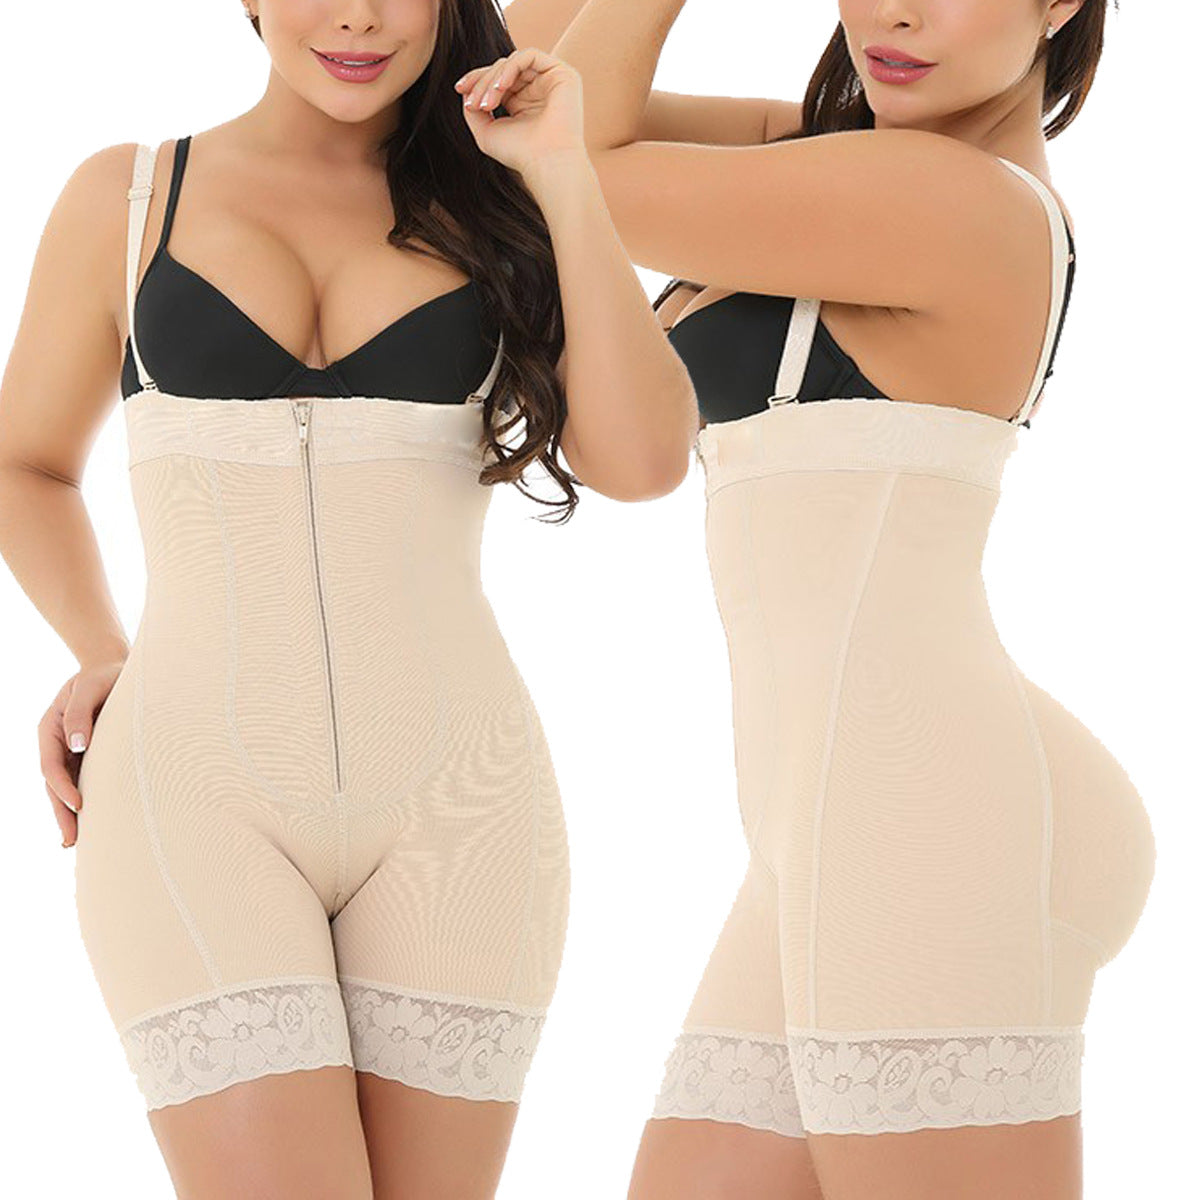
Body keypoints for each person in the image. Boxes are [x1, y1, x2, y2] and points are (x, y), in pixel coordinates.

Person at [0, 3, 696, 1197]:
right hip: (191, 790)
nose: (361, 16)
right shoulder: (127, 197)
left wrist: (566, 177)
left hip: (462, 803)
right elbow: (25, 464)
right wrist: (101, 645)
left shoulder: (506, 202)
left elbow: (642, 464)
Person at [507, 0, 1158, 1195]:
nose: (894, 13)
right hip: (842, 820)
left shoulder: (957, 201)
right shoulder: (830, 162)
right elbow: (524, 76)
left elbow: (560, 156)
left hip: (924, 813)